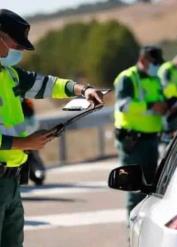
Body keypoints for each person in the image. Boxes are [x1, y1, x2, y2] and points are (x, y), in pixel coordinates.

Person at [0, 9, 104, 247]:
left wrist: (82, 90)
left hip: (11, 183)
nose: (19, 52)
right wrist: (25, 144)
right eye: (16, 45)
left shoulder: (10, 76)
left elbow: (46, 84)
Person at [113, 46, 167, 216]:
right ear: (143, 60)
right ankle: (132, 234)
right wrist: (151, 106)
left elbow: (159, 102)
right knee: (135, 189)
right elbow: (124, 105)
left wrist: (164, 107)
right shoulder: (127, 78)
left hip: (152, 140)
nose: (156, 67)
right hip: (133, 142)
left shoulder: (155, 79)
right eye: (154, 63)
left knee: (150, 189)